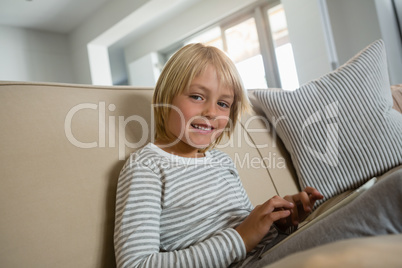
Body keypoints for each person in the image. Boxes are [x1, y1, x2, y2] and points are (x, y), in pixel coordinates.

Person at [114, 43, 402, 268]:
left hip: (266, 256)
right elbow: (136, 263)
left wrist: (280, 224)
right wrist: (240, 238)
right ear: (166, 97)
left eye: (223, 103)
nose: (212, 112)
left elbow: (252, 237)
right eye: (197, 96)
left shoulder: (221, 162)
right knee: (394, 190)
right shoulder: (146, 167)